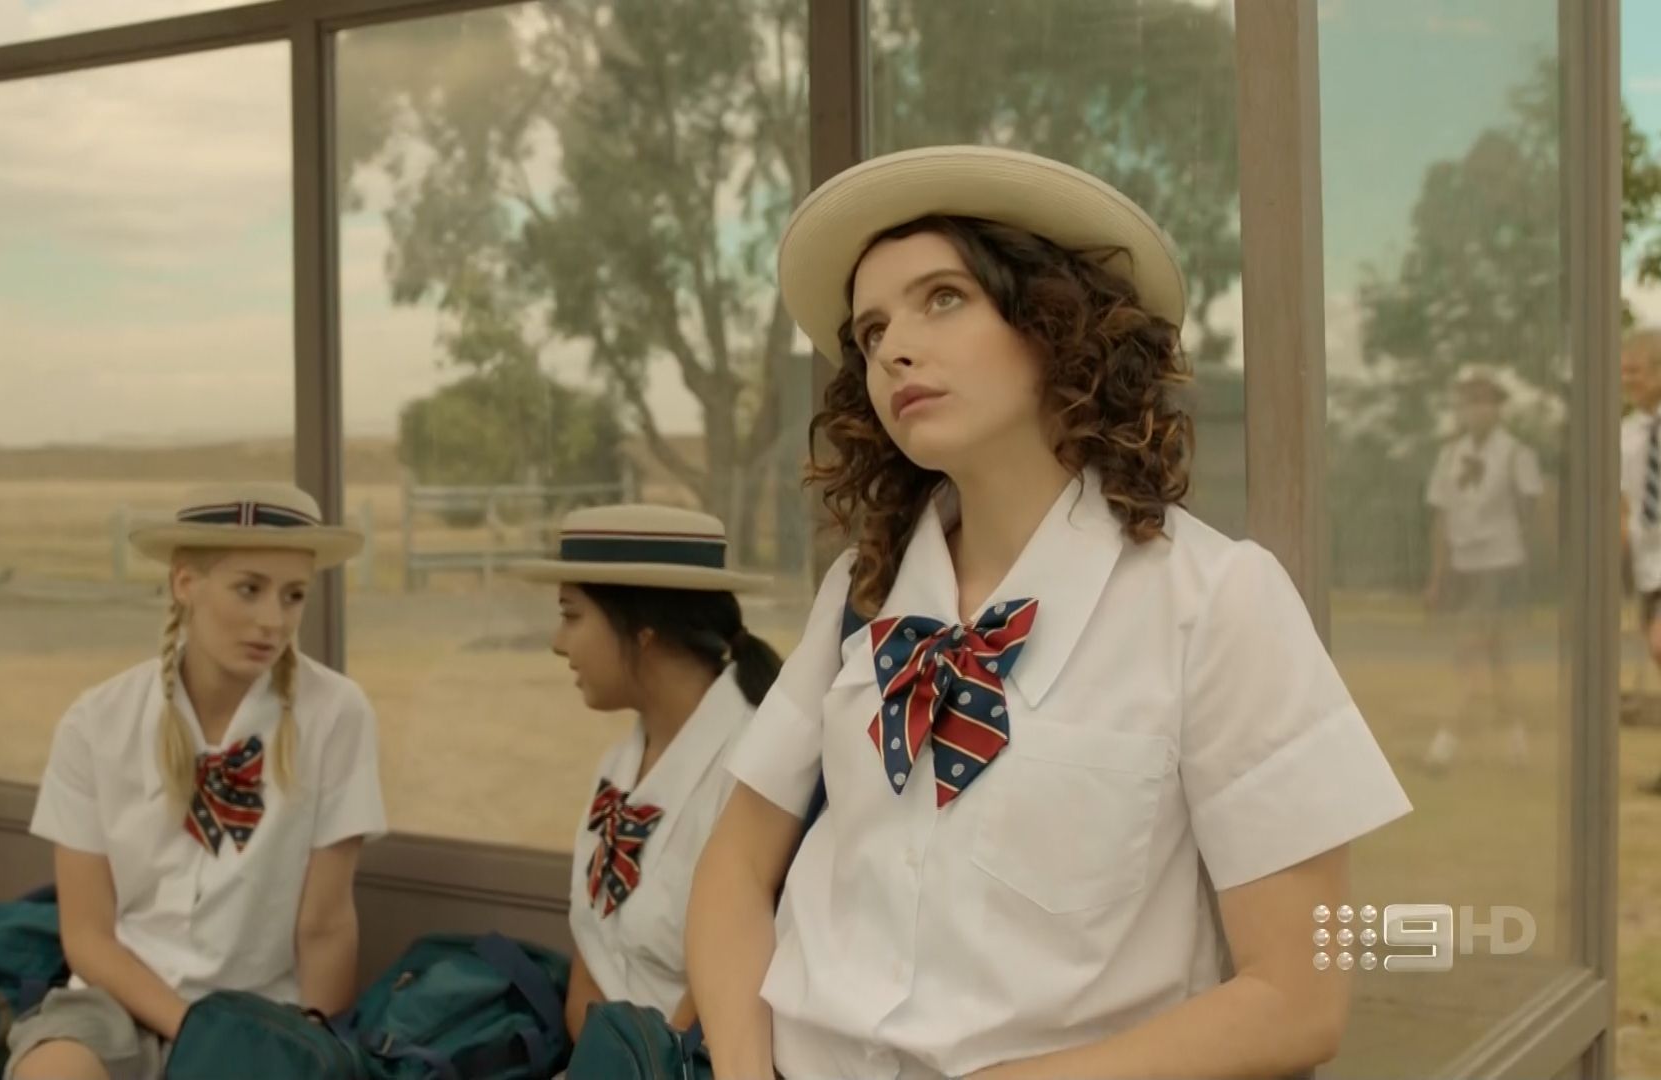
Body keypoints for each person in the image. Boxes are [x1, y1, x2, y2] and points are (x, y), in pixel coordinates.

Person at [683, 145, 1413, 1080]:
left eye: (944, 298)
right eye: (871, 330)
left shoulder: (1216, 602)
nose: (893, 347)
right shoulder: (858, 598)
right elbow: (734, 868)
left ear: (1054, 324)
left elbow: (1297, 1000)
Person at [7, 482, 388, 1080]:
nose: (273, 621)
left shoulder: (336, 714)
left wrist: (309, 1052)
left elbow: (325, 926)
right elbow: (86, 934)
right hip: (115, 1005)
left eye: (293, 596)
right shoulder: (95, 722)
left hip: (262, 1015)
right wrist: (193, 1031)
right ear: (185, 583)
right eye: (249, 589)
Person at [510, 503, 782, 1041]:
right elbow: (591, 957)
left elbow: (719, 1002)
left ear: (643, 631)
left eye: (572, 615)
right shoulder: (618, 766)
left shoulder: (751, 772)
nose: (558, 642)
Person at [1418, 365, 1544, 771]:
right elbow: (1441, 518)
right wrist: (1437, 577)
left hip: (1501, 563)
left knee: (1469, 650)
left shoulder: (1516, 453)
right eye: (1469, 402)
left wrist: (1530, 563)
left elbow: (1531, 511)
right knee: (1497, 659)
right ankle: (1517, 742)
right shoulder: (1449, 455)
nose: (1476, 410)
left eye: (1485, 402)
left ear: (1497, 408)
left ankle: (1443, 745)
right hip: (1463, 565)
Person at [1621, 327, 1661, 790]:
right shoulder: (1628, 433)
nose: (1628, 380)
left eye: (1636, 371)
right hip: (1648, 567)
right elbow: (1624, 503)